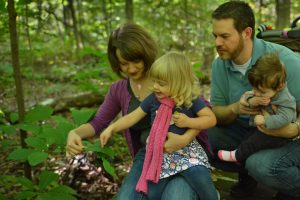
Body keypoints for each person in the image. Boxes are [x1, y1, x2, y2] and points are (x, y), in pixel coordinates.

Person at [66, 23, 210, 200]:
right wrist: (75, 132)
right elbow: (98, 123)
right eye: (124, 64)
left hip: (185, 151)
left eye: (136, 61)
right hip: (148, 154)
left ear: (145, 54)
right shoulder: (119, 89)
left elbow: (204, 114)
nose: (131, 69)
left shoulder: (167, 75)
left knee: (175, 196)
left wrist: (184, 139)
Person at [208, 1, 300, 200]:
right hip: (248, 131)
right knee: (203, 134)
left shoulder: (286, 61)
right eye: (215, 36)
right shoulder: (219, 65)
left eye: (224, 36)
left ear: (247, 33)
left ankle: (291, 188)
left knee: (261, 165)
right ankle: (247, 178)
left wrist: (295, 129)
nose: (217, 43)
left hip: (285, 136)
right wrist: (236, 108)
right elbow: (217, 114)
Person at [100, 51, 218, 200]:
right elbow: (132, 117)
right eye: (154, 81)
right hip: (159, 154)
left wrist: (189, 122)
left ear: (178, 82)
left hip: (186, 153)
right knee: (152, 193)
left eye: (161, 83)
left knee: (199, 176)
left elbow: (210, 119)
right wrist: (112, 128)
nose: (155, 87)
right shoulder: (153, 100)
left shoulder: (190, 100)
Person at [218, 52, 297, 162]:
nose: (256, 93)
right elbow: (248, 96)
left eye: (261, 91)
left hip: (279, 136)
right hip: (260, 128)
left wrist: (266, 120)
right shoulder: (263, 89)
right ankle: (243, 171)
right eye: (254, 89)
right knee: (247, 138)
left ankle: (237, 156)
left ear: (279, 86)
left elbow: (285, 118)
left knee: (255, 141)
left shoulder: (285, 100)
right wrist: (251, 101)